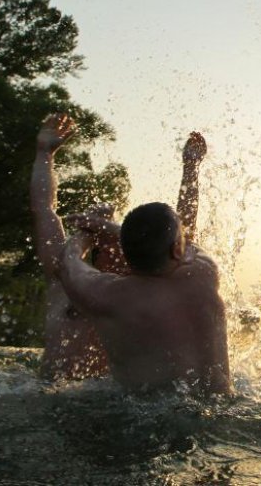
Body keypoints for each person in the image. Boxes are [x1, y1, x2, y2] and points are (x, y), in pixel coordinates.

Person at [30, 113, 209, 380]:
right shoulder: (66, 279)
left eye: (119, 243)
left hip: (106, 404)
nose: (117, 251)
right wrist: (45, 153)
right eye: (108, 244)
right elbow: (44, 210)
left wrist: (191, 168)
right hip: (50, 398)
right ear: (95, 251)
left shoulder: (144, 291)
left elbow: (181, 236)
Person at [58, 163, 232, 395]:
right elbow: (187, 243)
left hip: (146, 419)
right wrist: (191, 165)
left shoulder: (108, 295)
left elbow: (68, 264)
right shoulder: (203, 275)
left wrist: (84, 235)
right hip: (220, 411)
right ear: (175, 251)